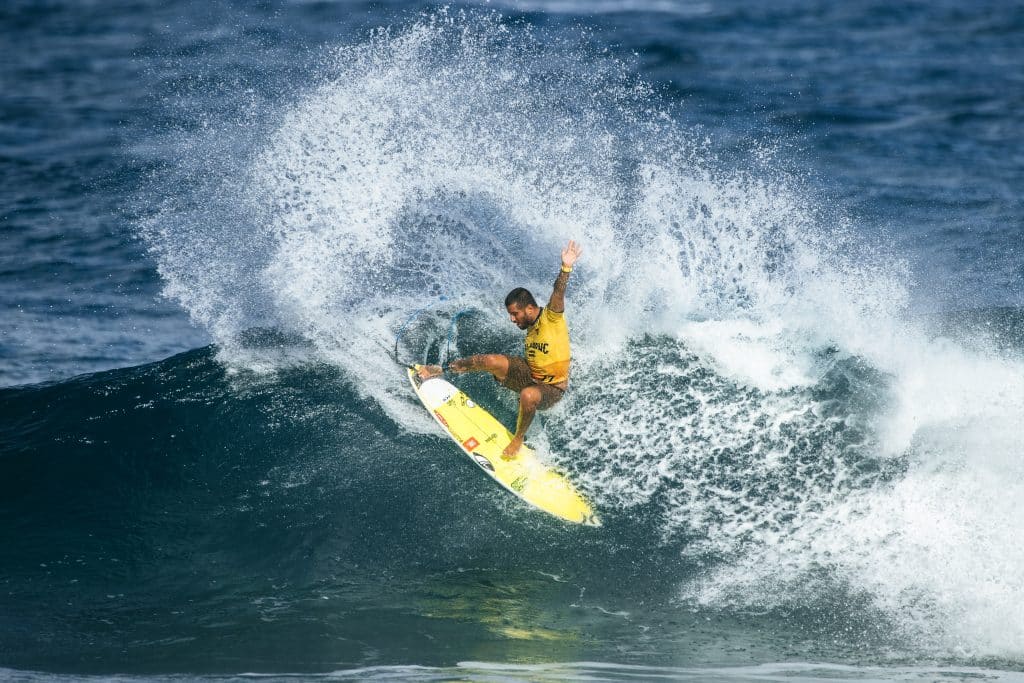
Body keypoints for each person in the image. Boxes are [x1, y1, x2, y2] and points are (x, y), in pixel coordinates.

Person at [418, 240, 582, 459]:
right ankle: (440, 369)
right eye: (510, 314)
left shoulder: (551, 318)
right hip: (530, 374)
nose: (512, 319)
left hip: (552, 389)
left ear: (530, 308)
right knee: (488, 360)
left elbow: (558, 293)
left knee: (528, 394)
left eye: (515, 314)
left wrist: (566, 268)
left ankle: (518, 439)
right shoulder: (530, 326)